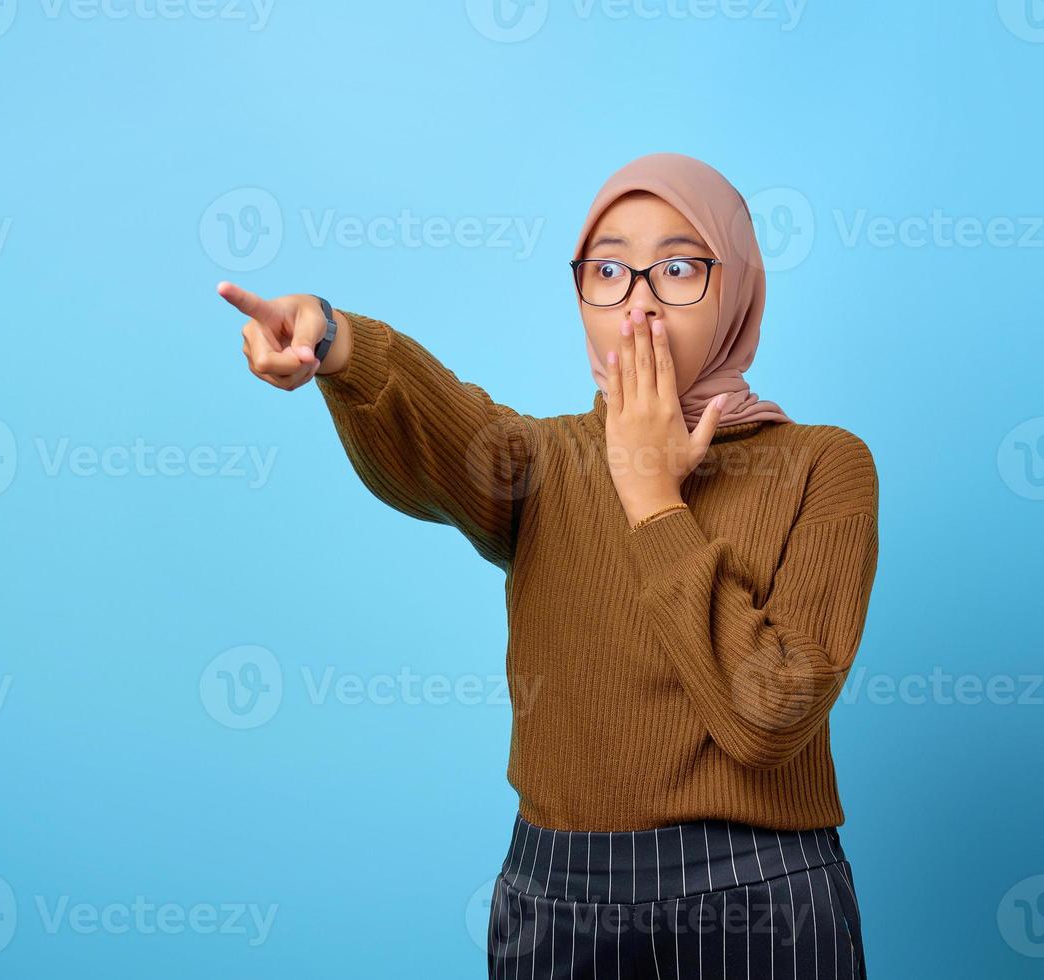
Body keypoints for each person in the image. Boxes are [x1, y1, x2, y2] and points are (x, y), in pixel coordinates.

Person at [219, 151, 878, 980]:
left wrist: (651, 496)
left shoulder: (824, 465)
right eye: (606, 271)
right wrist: (330, 333)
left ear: (736, 284)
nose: (636, 299)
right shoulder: (542, 461)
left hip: (757, 892)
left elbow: (768, 714)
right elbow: (437, 417)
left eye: (677, 267)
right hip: (559, 898)